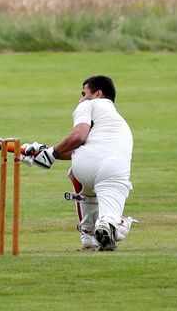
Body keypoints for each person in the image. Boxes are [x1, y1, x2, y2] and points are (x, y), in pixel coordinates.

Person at [21, 74, 137, 252]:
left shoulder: (88, 105)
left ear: (98, 94)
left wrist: (50, 153)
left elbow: (78, 137)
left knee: (81, 179)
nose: (81, 98)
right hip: (113, 170)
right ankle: (110, 225)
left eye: (84, 93)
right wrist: (45, 151)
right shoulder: (119, 124)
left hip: (83, 167)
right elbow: (82, 147)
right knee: (110, 217)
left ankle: (89, 237)